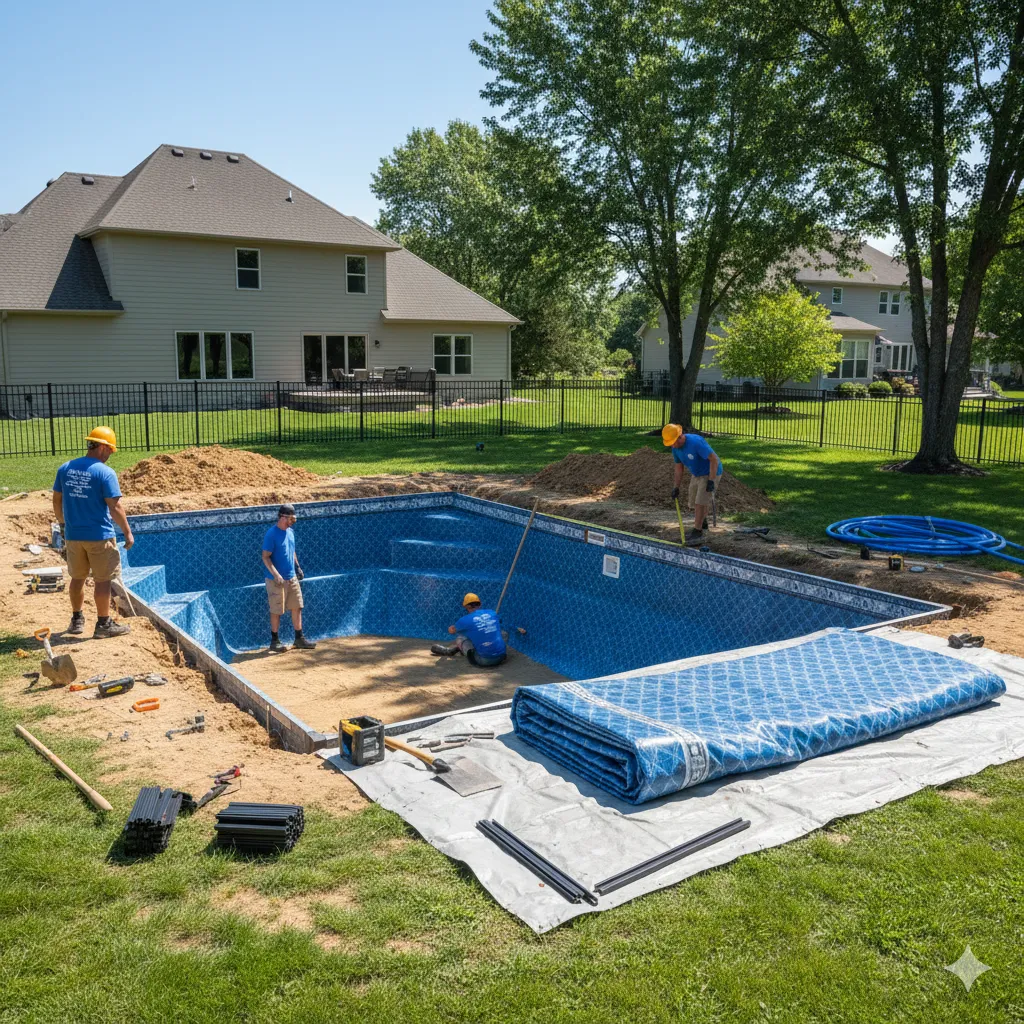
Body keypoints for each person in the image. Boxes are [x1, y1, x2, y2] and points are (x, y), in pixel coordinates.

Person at [52, 426, 134, 638]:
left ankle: (77, 620)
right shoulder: (105, 473)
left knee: (77, 578)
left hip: (73, 535)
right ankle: (103, 625)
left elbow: (57, 500)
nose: (109, 456)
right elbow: (115, 507)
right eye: (110, 451)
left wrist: (63, 524)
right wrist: (127, 532)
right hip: (99, 536)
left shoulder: (66, 468)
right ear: (103, 447)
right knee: (102, 580)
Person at [261, 503, 316, 653]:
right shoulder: (271, 534)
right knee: (277, 610)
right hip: (276, 580)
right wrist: (276, 575)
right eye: (291, 518)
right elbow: (265, 557)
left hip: (291, 577)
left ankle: (299, 638)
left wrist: (297, 567)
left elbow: (292, 551)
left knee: (297, 606)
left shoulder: (290, 532)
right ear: (283, 517)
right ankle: (275, 641)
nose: (293, 521)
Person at [662, 423, 723, 545]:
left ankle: (698, 531)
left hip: (711, 471)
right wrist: (676, 487)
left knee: (700, 501)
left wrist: (711, 480)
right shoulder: (675, 448)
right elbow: (679, 468)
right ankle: (703, 522)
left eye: (674, 442)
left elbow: (714, 459)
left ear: (680, 436)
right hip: (696, 474)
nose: (673, 445)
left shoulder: (696, 443)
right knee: (693, 501)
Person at [431, 593, 507, 667]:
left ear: (467, 606)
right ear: (480, 604)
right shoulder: (492, 613)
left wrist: (451, 628)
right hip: (501, 657)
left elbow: (451, 631)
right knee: (503, 633)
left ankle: (454, 650)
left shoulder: (464, 620)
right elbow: (499, 621)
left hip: (483, 660)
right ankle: (497, 651)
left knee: (460, 638)